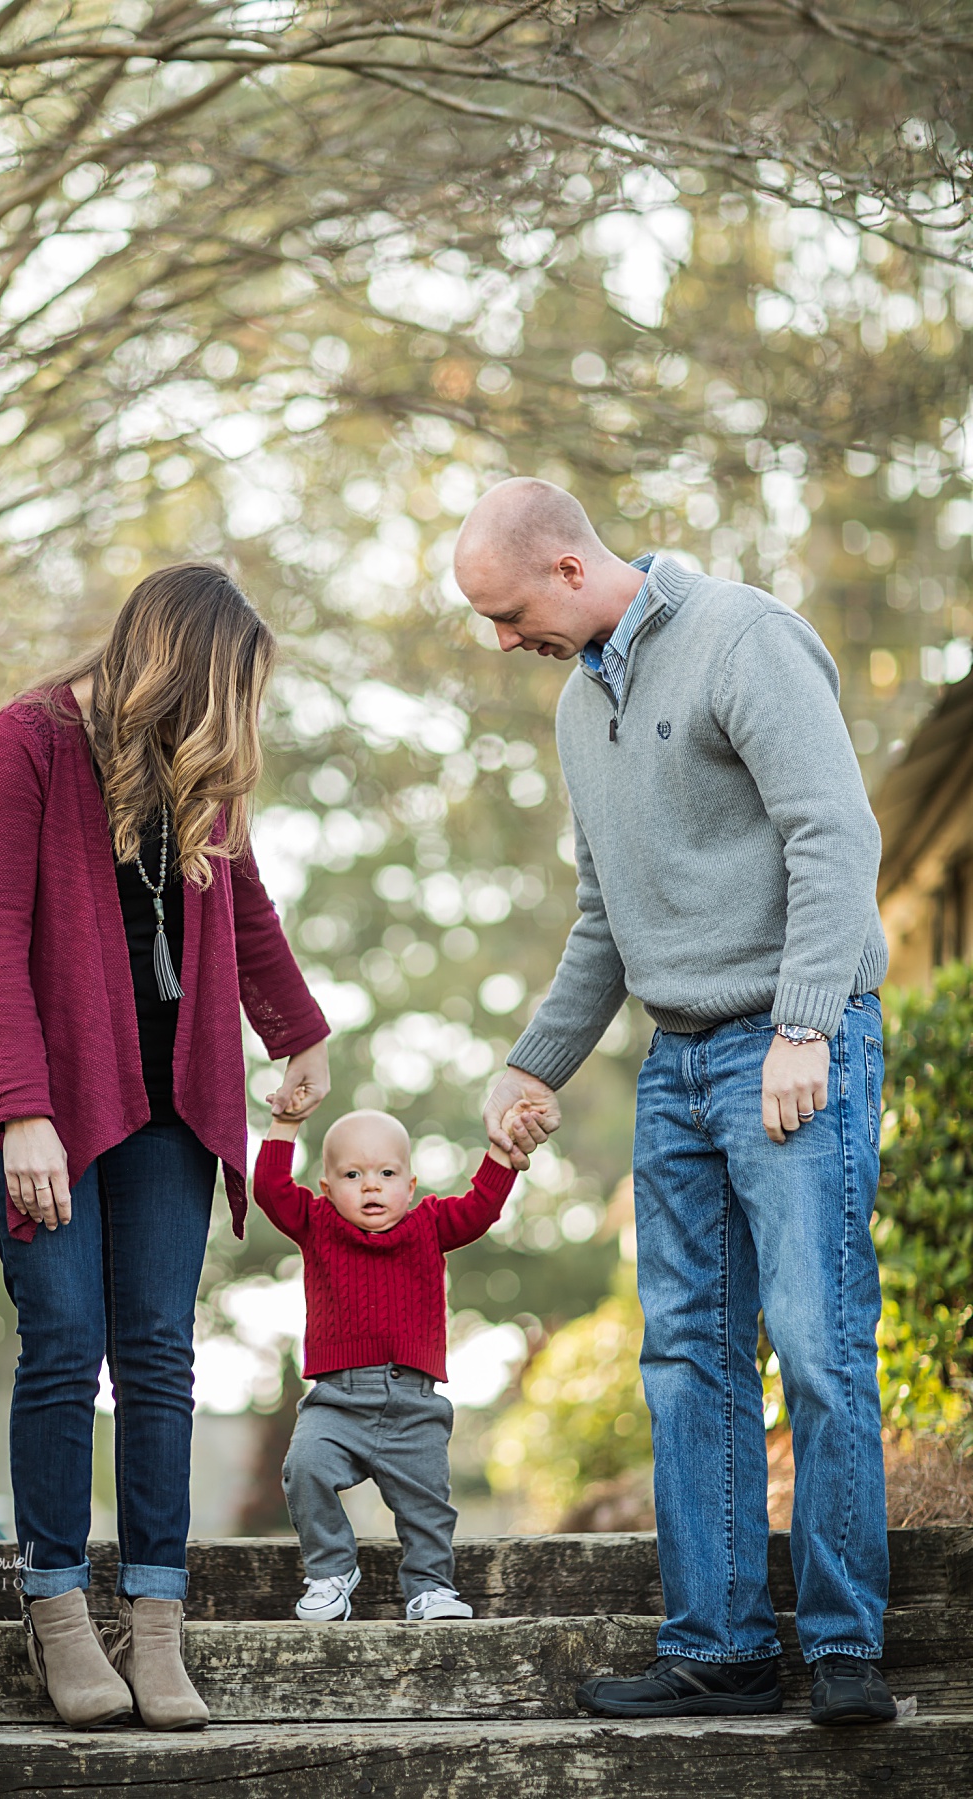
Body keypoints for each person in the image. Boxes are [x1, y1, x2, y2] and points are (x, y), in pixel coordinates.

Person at [454, 478, 897, 1727]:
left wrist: (805, 1020)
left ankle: (846, 1646)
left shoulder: (742, 639)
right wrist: (535, 1060)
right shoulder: (576, 704)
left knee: (816, 1344)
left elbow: (835, 837)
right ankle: (721, 1643)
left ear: (568, 569)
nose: (503, 642)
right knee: (688, 1360)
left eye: (507, 612)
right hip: (678, 1063)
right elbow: (609, 917)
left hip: (791, 1045)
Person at [0, 563, 331, 1729]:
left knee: (158, 1348)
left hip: (170, 1099)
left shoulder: (199, 776)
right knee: (65, 1337)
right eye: (230, 692)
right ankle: (58, 1608)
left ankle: (155, 1621)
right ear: (181, 667)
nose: (240, 723)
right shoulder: (30, 742)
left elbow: (245, 904)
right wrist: (23, 1111)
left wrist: (298, 1031)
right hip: (38, 1104)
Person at [252, 1104, 532, 1622]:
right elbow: (269, 1189)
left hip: (413, 1403)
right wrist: (286, 1124)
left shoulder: (429, 1225)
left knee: (427, 1505)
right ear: (327, 1187)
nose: (371, 1187)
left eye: (386, 1174)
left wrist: (502, 1153)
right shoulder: (317, 1224)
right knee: (304, 1467)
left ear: (411, 1183)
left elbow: (481, 1207)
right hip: (336, 1402)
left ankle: (429, 1587)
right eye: (352, 1175)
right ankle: (331, 1570)